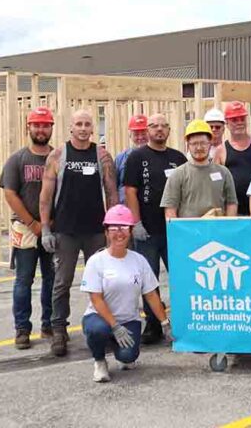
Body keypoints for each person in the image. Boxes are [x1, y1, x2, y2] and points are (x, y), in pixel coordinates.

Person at [39, 109, 119, 356]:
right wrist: (45, 229)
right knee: (62, 283)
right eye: (79, 124)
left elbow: (112, 193)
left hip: (96, 231)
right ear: (71, 128)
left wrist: (113, 228)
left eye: (87, 124)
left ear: (92, 129)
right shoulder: (58, 155)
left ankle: (104, 326)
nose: (83, 128)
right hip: (66, 231)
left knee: (104, 282)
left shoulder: (102, 156)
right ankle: (59, 330)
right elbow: (46, 196)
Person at [80, 205, 172, 383]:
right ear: (106, 232)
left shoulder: (139, 261)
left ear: (130, 231)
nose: (119, 233)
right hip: (99, 317)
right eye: (113, 228)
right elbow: (96, 300)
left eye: (123, 228)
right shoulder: (96, 261)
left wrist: (165, 323)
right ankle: (99, 361)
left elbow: (151, 295)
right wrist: (114, 326)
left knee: (128, 357)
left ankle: (118, 347)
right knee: (97, 330)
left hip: (129, 319)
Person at [123, 113, 188, 344]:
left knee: (180, 277)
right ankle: (153, 324)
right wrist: (136, 222)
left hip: (173, 231)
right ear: (147, 130)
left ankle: (183, 320)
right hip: (147, 231)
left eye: (163, 126)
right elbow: (130, 191)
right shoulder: (136, 157)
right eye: (154, 126)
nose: (159, 130)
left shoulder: (178, 158)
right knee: (148, 280)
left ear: (169, 130)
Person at [0, 106, 56, 349]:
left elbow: (65, 193)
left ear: (52, 127)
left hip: (53, 227)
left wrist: (49, 223)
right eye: (37, 125)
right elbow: (10, 194)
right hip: (24, 228)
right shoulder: (17, 159)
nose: (41, 129)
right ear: (28, 127)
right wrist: (32, 223)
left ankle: (49, 324)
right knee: (24, 280)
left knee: (52, 279)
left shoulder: (59, 157)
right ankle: (22, 328)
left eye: (45, 125)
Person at [161, 120, 238, 218]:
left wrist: (227, 228)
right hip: (188, 231)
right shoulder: (178, 174)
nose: (199, 147)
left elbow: (231, 203)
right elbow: (170, 210)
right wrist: (179, 232)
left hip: (217, 230)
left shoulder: (223, 173)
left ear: (210, 143)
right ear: (188, 145)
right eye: (194, 143)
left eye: (203, 143)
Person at [213, 101, 251, 216]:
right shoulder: (221, 151)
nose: (239, 123)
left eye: (242, 119)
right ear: (227, 123)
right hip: (234, 213)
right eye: (234, 120)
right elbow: (217, 186)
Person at [115, 115, 149, 204]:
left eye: (143, 133)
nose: (140, 137)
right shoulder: (120, 158)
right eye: (136, 134)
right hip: (126, 211)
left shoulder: (157, 157)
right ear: (130, 135)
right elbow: (114, 187)